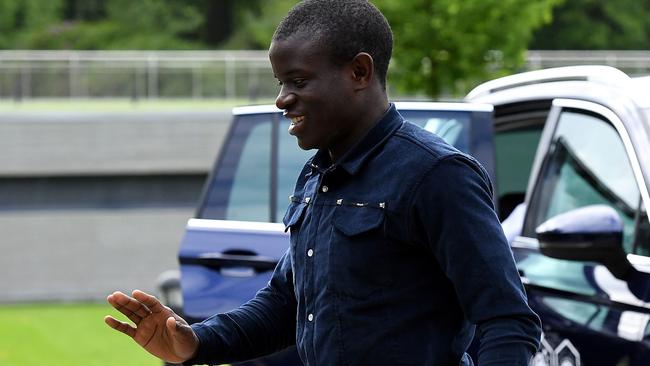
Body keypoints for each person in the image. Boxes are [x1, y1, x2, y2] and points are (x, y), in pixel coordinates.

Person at [105, 1, 542, 364]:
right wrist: (194, 342)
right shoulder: (318, 174)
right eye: (280, 83)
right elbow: (285, 303)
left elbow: (508, 320)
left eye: (298, 81)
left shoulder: (437, 175)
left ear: (359, 72)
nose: (282, 99)